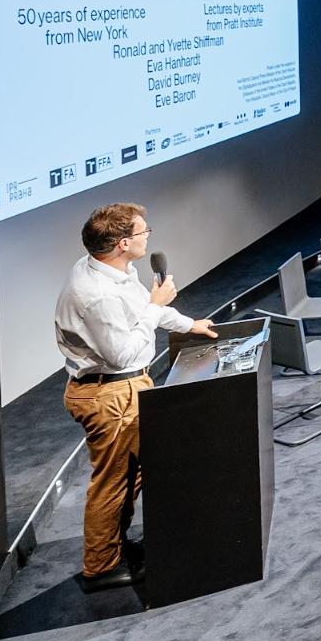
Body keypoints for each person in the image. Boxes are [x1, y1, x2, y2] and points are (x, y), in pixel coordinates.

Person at [55, 203, 217, 591]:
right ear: (123, 243)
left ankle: (114, 545)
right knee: (112, 481)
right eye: (145, 233)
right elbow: (122, 353)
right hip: (109, 393)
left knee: (133, 474)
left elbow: (144, 315)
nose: (149, 238)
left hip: (125, 387)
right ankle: (101, 567)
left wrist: (188, 324)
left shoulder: (112, 268)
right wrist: (154, 305)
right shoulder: (95, 295)